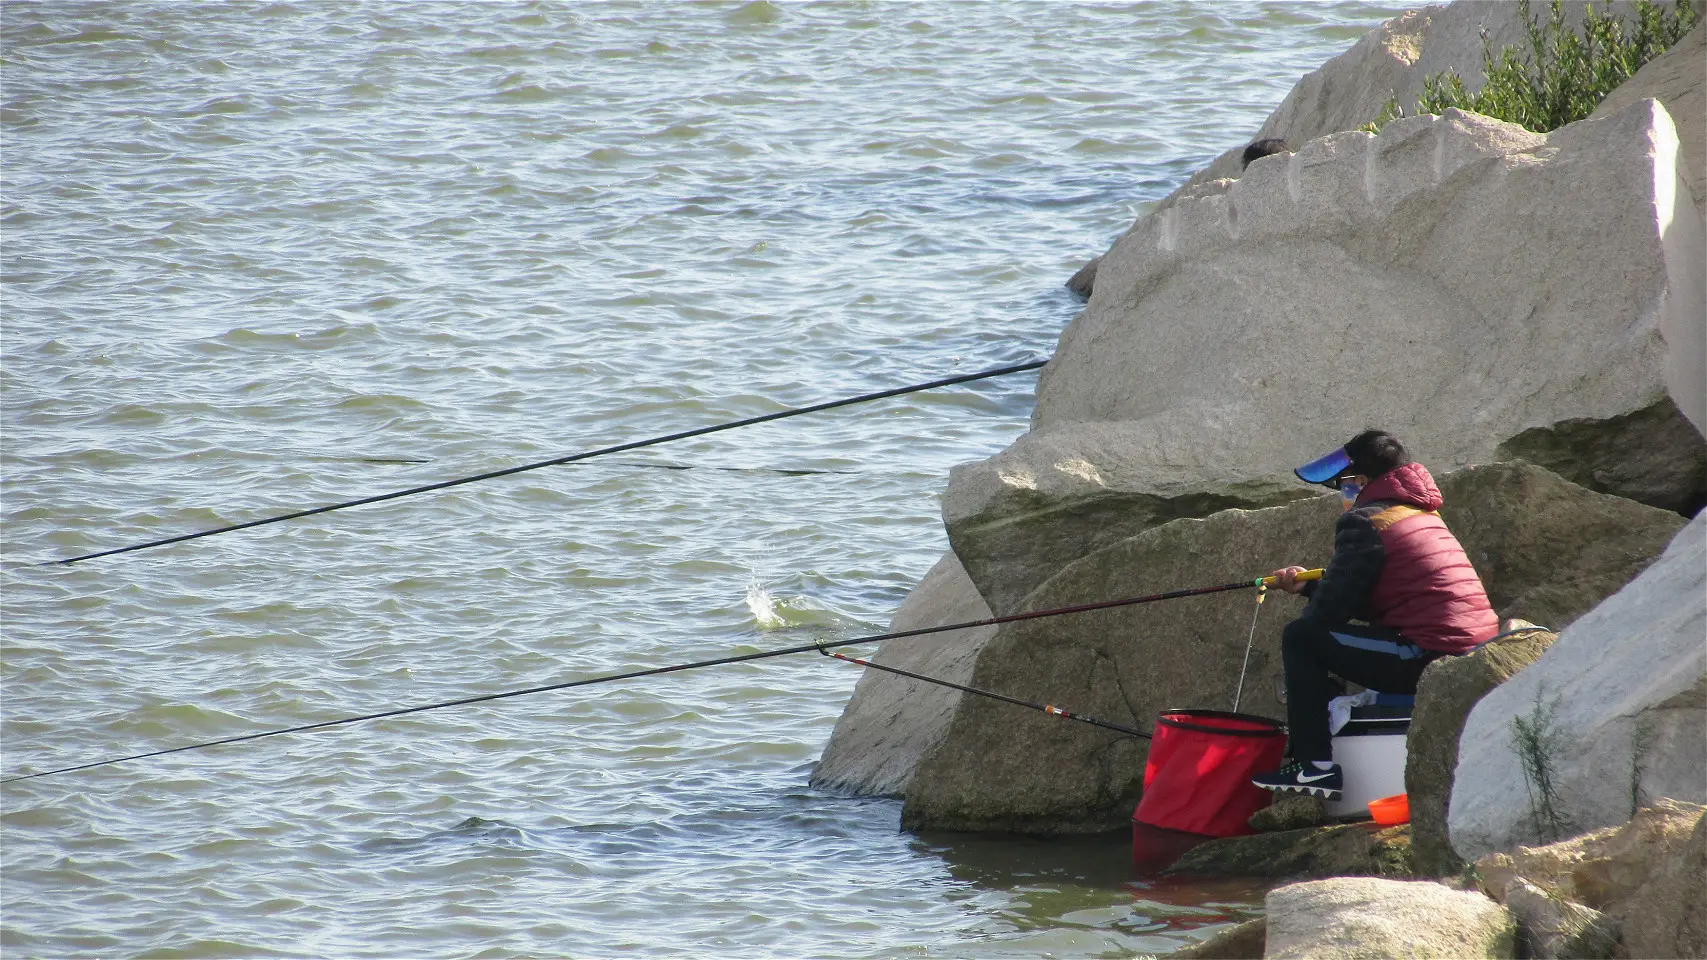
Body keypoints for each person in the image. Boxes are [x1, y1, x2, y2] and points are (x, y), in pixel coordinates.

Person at [1250, 430, 1499, 800]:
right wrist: (1309, 586)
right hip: (1474, 650)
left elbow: (1326, 617)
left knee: (1301, 638)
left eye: (1342, 485)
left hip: (1430, 655)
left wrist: (1318, 596)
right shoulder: (1418, 512)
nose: (1342, 494)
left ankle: (1313, 766)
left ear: (1361, 481)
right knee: (1317, 639)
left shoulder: (1365, 520)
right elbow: (1381, 598)